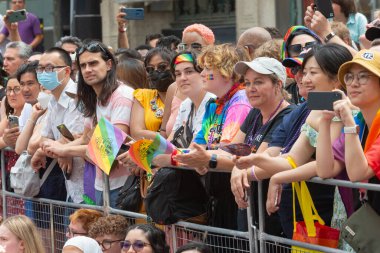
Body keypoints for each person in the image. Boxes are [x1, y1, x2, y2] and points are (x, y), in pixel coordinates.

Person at [235, 44, 352, 239]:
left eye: (313, 73)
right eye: (304, 72)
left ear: (336, 78)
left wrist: (279, 177)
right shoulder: (315, 106)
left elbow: (326, 165)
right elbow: (292, 159)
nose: (305, 79)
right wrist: (255, 161)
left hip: (344, 198)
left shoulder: (347, 110)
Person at [42, 41, 134, 207]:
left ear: (109, 64)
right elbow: (86, 138)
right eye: (83, 65)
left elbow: (108, 149)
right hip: (99, 184)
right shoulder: (94, 98)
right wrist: (57, 148)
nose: (87, 69)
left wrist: (64, 149)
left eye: (93, 63)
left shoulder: (122, 95)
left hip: (123, 185)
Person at [173, 44, 251, 230]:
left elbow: (228, 149)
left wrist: (202, 158)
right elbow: (198, 145)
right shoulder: (213, 105)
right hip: (217, 189)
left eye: (208, 68)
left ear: (225, 72)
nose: (202, 74)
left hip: (235, 192)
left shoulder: (240, 101)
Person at [316, 49, 380, 236]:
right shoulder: (360, 119)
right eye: (349, 77)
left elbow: (358, 173)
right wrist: (325, 121)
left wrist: (349, 123)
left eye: (363, 76)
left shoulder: (355, 122)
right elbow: (325, 169)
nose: (353, 83)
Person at [30, 47, 85, 204]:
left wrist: (61, 147)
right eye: (40, 68)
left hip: (89, 185)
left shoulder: (76, 97)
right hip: (71, 186)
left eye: (49, 68)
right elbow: (44, 139)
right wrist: (47, 149)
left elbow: (73, 138)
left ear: (67, 71)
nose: (43, 73)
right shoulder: (53, 100)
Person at [281, 26, 321, 104]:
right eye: (295, 49)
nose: (304, 51)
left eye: (311, 45)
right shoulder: (282, 99)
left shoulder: (336, 100)